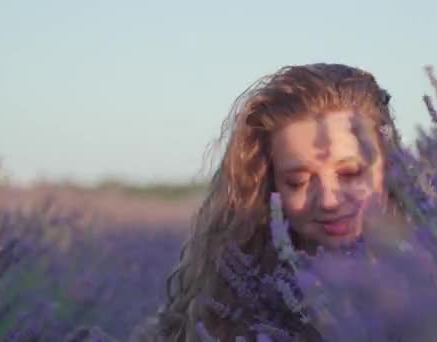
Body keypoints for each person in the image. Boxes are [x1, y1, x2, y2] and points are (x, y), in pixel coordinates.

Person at [143, 63, 407, 341]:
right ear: (271, 187)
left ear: (389, 166)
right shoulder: (232, 310)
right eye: (299, 181)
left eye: (350, 173)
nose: (329, 200)